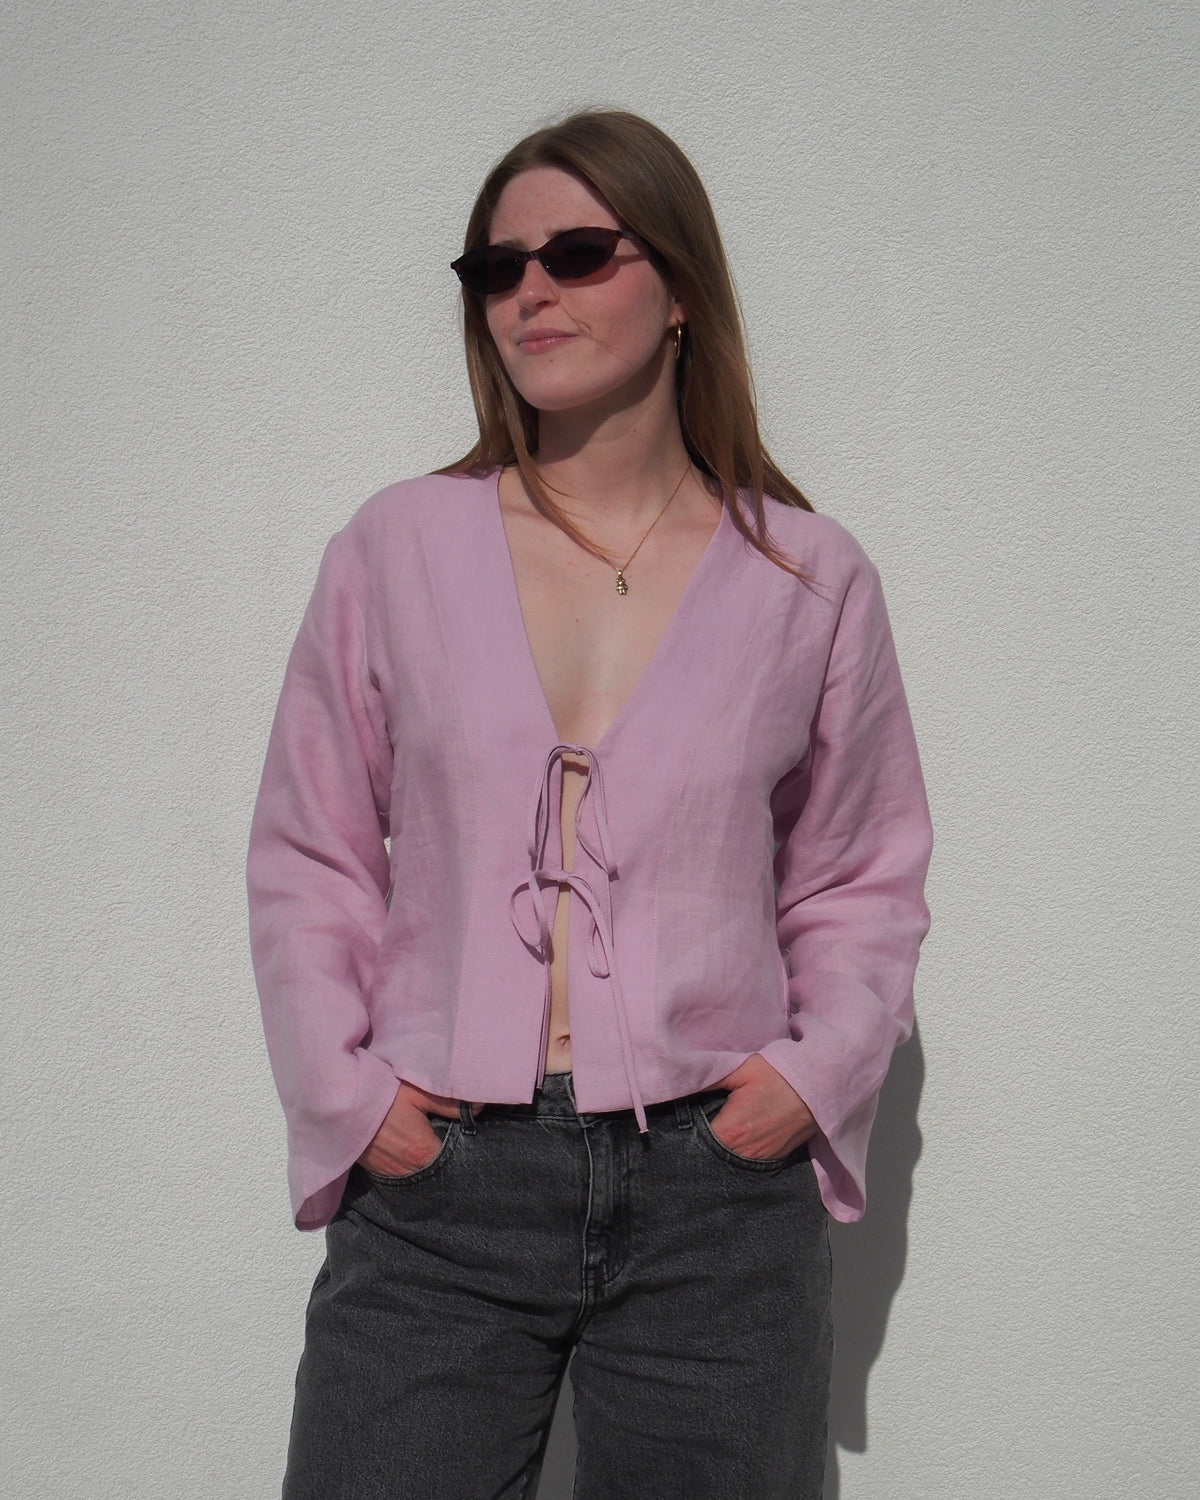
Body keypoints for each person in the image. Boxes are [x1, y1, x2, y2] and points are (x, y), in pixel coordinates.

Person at [246, 109, 932, 1500]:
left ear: (679, 286)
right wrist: (347, 1089)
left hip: (714, 1198)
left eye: (575, 251)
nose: (530, 293)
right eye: (494, 270)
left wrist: (808, 1077)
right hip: (441, 1188)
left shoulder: (806, 575)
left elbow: (862, 873)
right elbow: (310, 851)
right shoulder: (399, 545)